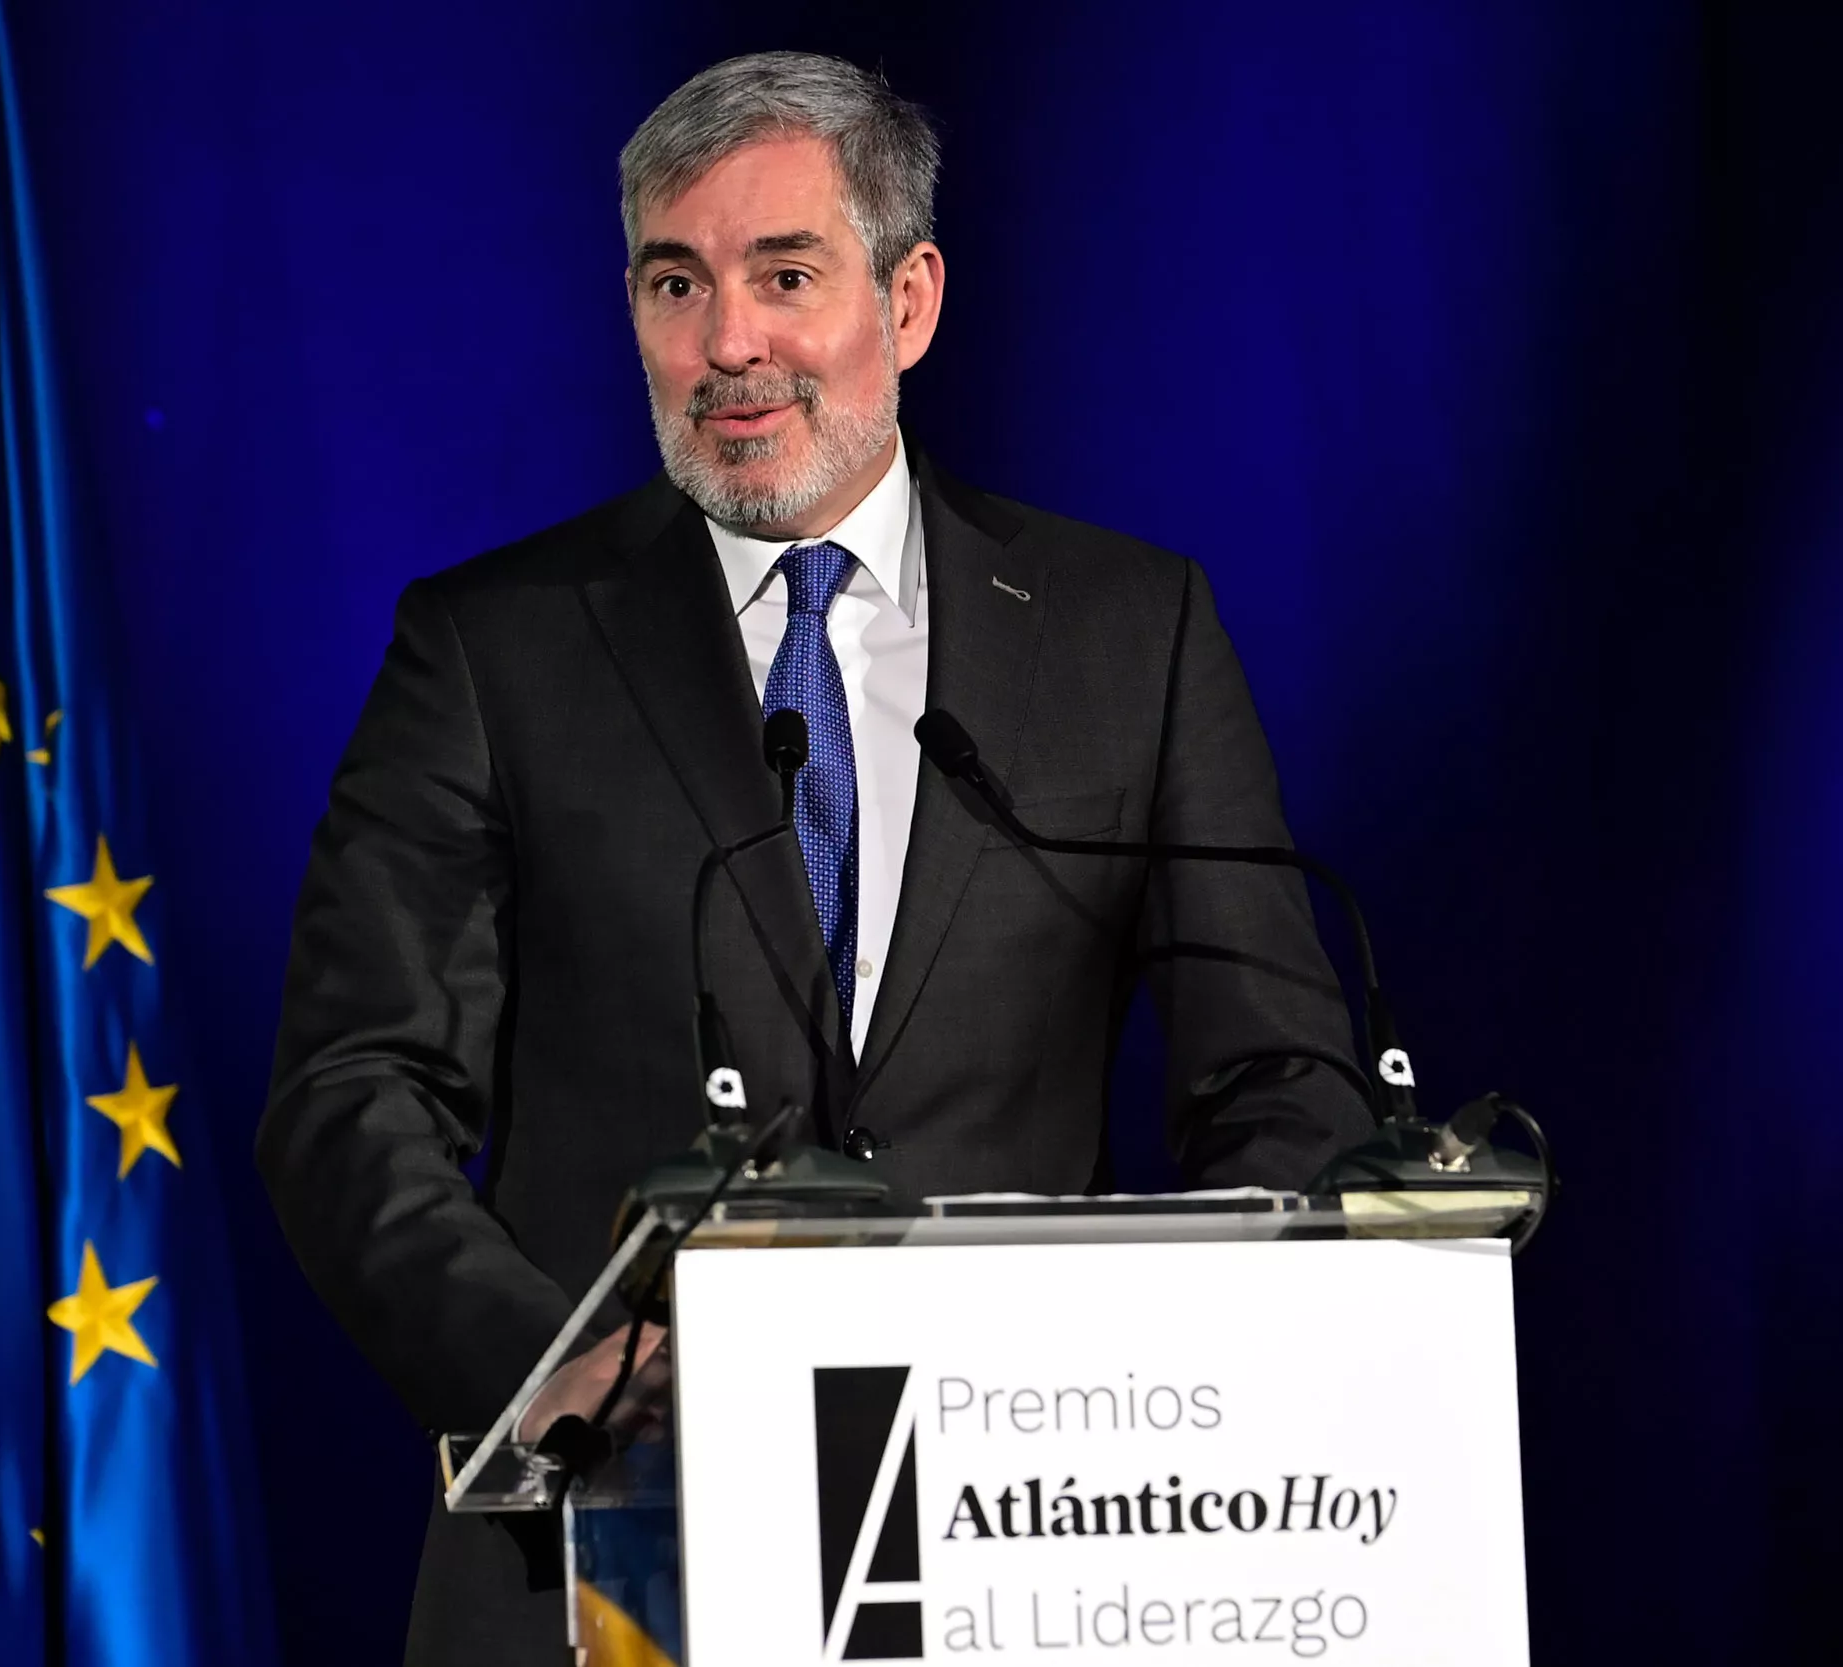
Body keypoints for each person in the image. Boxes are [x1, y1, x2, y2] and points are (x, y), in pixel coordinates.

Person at [259, 50, 1372, 1665]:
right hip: (611, 1571)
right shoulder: (493, 647)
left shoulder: (1132, 635)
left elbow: (1279, 1076)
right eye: (675, 281)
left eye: (787, 274)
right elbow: (350, 1093)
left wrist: (1179, 1385)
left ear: (907, 300)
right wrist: (558, 1374)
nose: (729, 343)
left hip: (1040, 1549)